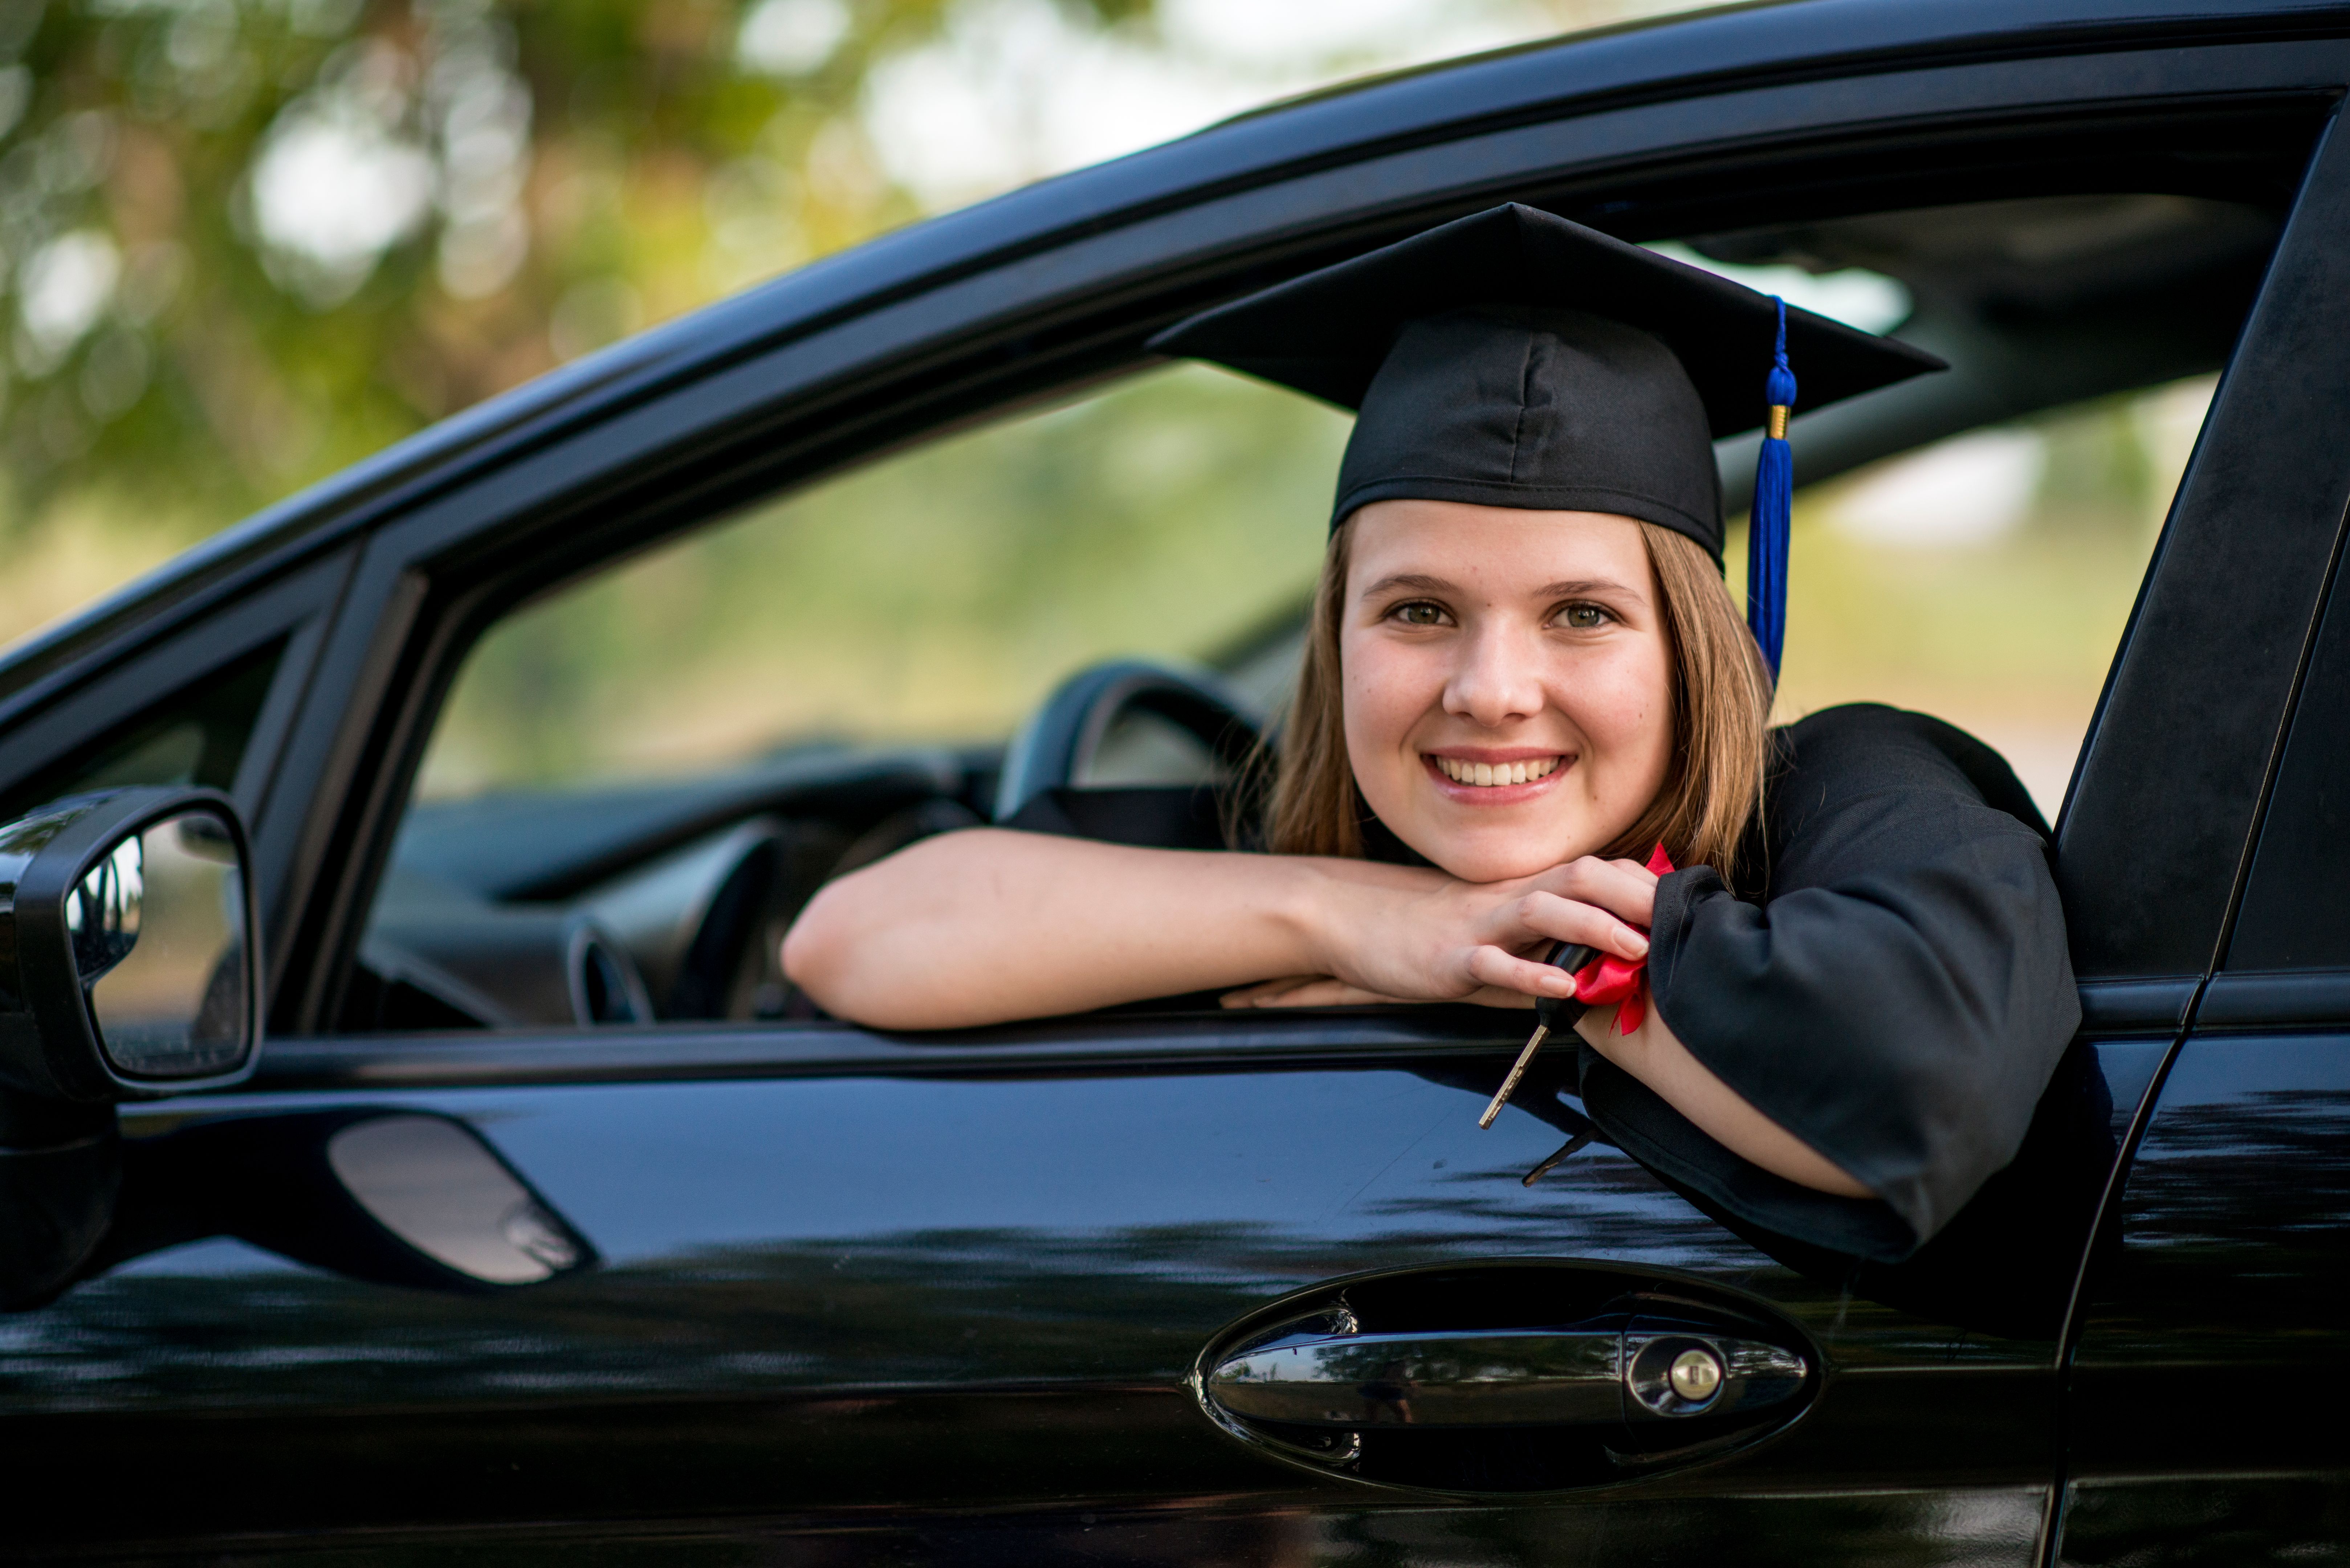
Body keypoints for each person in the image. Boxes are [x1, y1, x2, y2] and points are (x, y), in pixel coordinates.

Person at [783, 205, 2080, 1263]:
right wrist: (1359, 919)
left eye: (1580, 614)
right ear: (1335, 637)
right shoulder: (1288, 842)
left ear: (1692, 648)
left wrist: (1521, 964)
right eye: (1416, 611)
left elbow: (1922, 1083)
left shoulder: (1843, 793)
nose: (1489, 689)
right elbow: (857, 938)